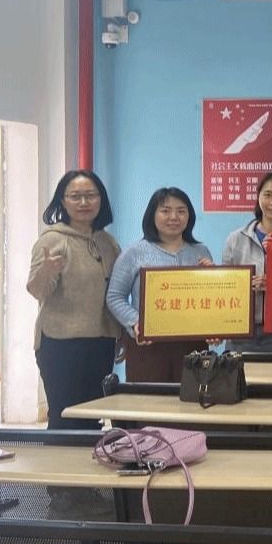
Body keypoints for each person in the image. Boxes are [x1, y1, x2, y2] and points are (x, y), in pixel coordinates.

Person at [27, 170, 121, 429]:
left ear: (101, 199)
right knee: (64, 415)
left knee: (92, 415)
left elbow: (116, 294)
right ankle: (58, 457)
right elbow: (36, 290)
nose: (83, 202)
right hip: (60, 343)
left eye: (90, 195)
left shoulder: (108, 242)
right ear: (63, 201)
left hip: (101, 342)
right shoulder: (52, 240)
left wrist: (122, 333)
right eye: (75, 196)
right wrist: (47, 270)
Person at [106, 187, 213, 382]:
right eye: (165, 211)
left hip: (192, 346)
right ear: (152, 215)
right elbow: (114, 296)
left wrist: (213, 277)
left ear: (189, 216)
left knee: (193, 398)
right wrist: (137, 322)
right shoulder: (134, 252)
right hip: (147, 346)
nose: (174, 217)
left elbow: (209, 299)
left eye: (181, 211)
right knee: (148, 399)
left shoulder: (200, 251)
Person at [221, 171, 272, 354]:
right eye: (268, 195)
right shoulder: (236, 239)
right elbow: (226, 287)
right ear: (258, 197)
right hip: (241, 330)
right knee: (239, 373)